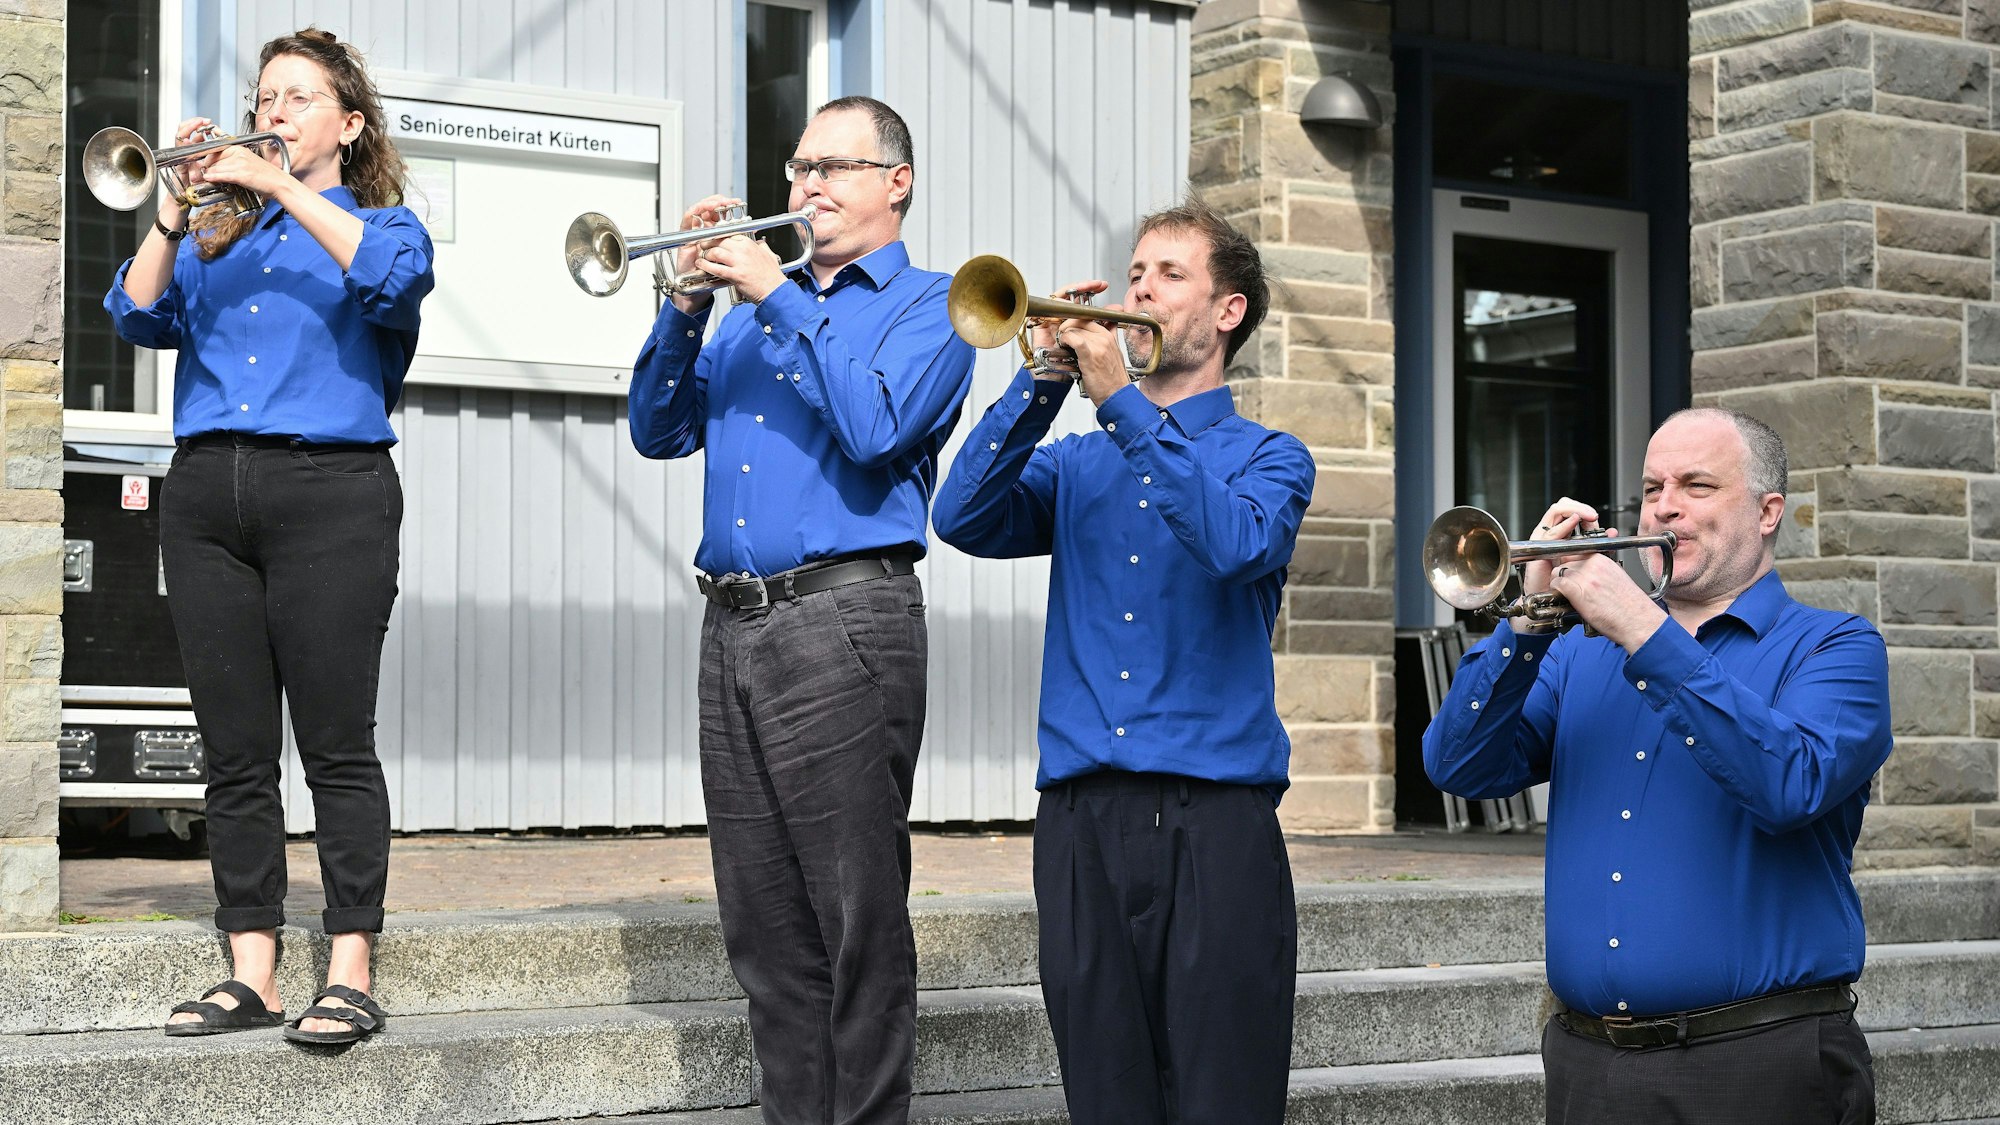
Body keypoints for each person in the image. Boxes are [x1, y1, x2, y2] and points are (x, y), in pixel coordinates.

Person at [625, 96, 974, 1124]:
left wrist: (773, 291)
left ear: (895, 182)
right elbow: (655, 428)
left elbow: (873, 429)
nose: (805, 187)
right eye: (796, 168)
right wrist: (687, 305)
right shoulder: (742, 317)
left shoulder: (933, 304)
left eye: (833, 167)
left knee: (853, 918)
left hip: (844, 622)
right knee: (762, 925)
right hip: (729, 623)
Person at [932, 197, 1315, 1125]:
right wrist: (1041, 383)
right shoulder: (1075, 461)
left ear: (1228, 312)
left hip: (1216, 824)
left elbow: (1235, 544)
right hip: (1081, 822)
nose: (1139, 289)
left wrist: (1121, 404)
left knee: (1226, 1100)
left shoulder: (1273, 457)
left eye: (1168, 275)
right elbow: (961, 517)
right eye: (1135, 273)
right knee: (1105, 1101)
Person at [105, 28, 433, 1045]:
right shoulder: (213, 234)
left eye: (297, 97)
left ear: (347, 124)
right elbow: (134, 314)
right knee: (234, 749)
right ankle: (252, 967)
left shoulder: (386, 225)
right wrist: (172, 206)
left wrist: (281, 183)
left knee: (335, 745)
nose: (274, 109)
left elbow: (389, 281)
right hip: (207, 493)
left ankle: (350, 964)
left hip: (330, 493)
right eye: (265, 95)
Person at [1424, 408, 1890, 1124]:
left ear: (1768, 513)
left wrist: (1644, 628)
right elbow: (1459, 766)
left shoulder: (1836, 648)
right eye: (1651, 487)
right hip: (1587, 1066)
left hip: (1763, 1064)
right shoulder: (1579, 651)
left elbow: (1789, 784)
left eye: (1697, 485)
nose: (1665, 505)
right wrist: (1525, 624)